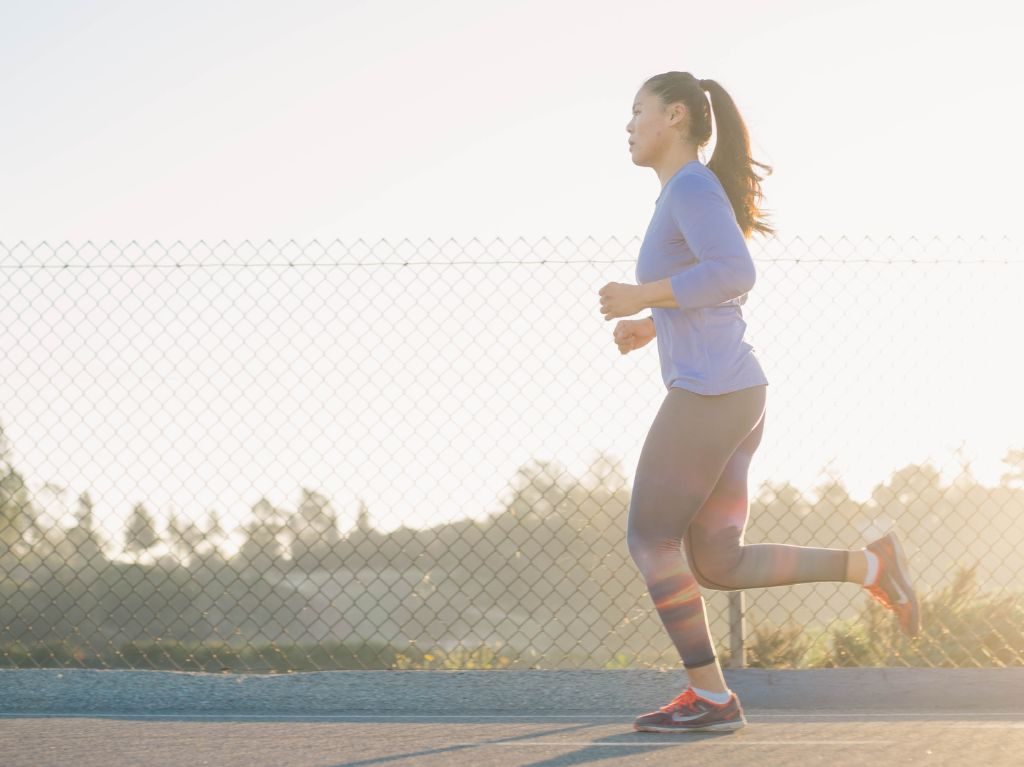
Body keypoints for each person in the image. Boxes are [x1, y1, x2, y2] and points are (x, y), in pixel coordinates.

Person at [597, 71, 920, 734]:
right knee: (717, 560)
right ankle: (873, 564)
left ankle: (712, 698)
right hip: (735, 392)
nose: (628, 125)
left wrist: (643, 294)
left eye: (638, 111)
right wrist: (651, 323)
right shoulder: (682, 193)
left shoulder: (688, 185)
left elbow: (736, 272)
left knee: (650, 536)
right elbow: (712, 288)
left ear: (676, 116)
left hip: (714, 393)